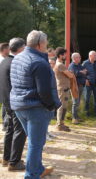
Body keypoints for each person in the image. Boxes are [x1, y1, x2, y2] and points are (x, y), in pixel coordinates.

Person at [10, 30, 59, 178]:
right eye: (45, 43)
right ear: (39, 44)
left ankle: (38, 169)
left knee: (34, 141)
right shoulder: (39, 62)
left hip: (19, 106)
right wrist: (51, 106)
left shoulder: (17, 58)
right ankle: (31, 175)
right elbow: (44, 91)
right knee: (36, 144)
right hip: (35, 108)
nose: (47, 45)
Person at [0, 38, 26, 171]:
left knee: (10, 129)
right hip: (15, 102)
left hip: (6, 101)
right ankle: (14, 162)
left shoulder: (5, 61)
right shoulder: (15, 62)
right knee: (19, 130)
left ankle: (6, 158)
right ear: (21, 48)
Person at [54, 47, 74, 131]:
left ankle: (61, 123)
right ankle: (59, 124)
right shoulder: (60, 65)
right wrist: (71, 73)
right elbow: (70, 75)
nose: (66, 56)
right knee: (62, 106)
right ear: (60, 55)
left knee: (64, 106)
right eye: (65, 54)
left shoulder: (59, 64)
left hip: (63, 88)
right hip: (62, 88)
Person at [83, 51, 96, 117]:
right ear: (90, 56)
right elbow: (82, 73)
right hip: (88, 84)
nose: (95, 56)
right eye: (94, 55)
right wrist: (85, 80)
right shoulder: (85, 63)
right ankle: (86, 113)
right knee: (87, 99)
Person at [68, 52, 87, 123]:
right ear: (74, 58)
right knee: (75, 102)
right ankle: (74, 118)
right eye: (78, 57)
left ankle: (76, 117)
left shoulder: (79, 65)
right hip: (75, 86)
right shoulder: (71, 66)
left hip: (81, 86)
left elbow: (84, 71)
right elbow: (74, 74)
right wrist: (80, 72)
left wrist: (80, 72)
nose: (80, 58)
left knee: (78, 102)